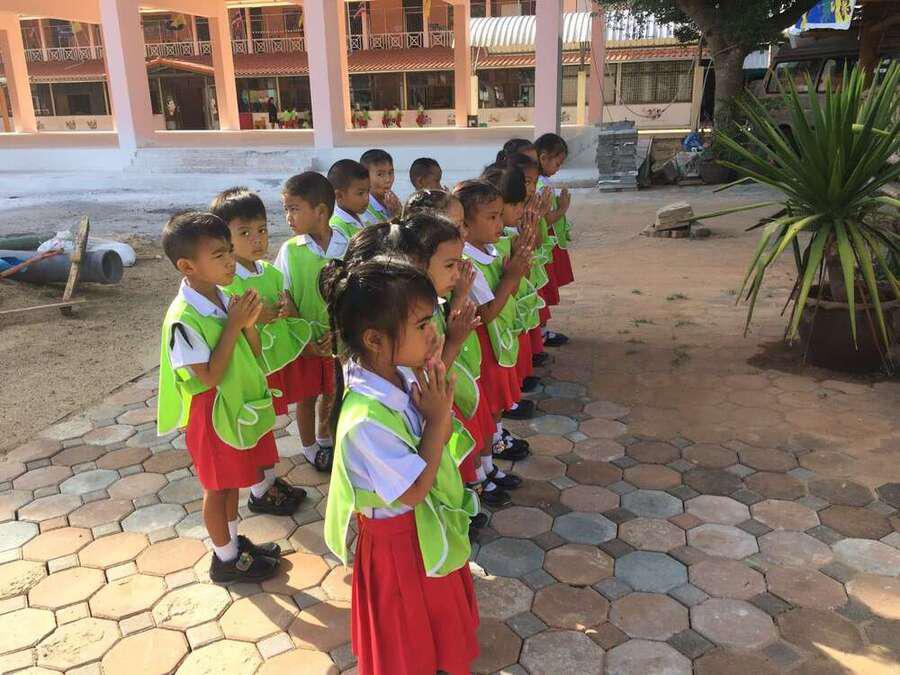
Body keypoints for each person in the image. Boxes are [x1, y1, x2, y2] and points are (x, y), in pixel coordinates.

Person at [321, 257, 480, 675]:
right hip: (400, 548)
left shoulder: (400, 372)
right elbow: (414, 491)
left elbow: (433, 443)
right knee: (408, 644)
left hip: (422, 531)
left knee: (435, 629)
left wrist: (436, 410)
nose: (434, 333)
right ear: (374, 339)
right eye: (423, 324)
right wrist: (438, 418)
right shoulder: (365, 421)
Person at [156, 211, 281, 583]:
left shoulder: (226, 297)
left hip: (233, 406)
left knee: (232, 482)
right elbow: (208, 376)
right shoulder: (183, 318)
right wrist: (234, 324)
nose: (230, 261)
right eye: (219, 255)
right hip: (210, 414)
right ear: (187, 266)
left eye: (229, 250)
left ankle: (233, 544)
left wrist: (249, 323)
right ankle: (225, 559)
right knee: (216, 488)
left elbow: (252, 351)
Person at [210, 187, 309, 515]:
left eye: (262, 230)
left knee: (266, 423)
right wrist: (255, 319)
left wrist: (284, 310)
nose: (257, 239)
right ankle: (259, 489)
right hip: (247, 370)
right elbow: (229, 327)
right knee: (255, 425)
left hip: (268, 365)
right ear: (224, 239)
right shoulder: (227, 283)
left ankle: (267, 481)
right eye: (245, 233)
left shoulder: (269, 272)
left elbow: (284, 305)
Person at [454, 180, 536, 505]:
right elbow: (487, 312)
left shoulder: (490, 249)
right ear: (465, 224)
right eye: (491, 217)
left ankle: (488, 467)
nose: (499, 223)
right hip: (480, 350)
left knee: (492, 411)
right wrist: (512, 276)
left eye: (501, 215)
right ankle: (478, 477)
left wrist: (516, 269)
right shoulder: (466, 261)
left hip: (496, 345)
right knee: (482, 413)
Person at [274, 172, 348, 471]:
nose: (288, 217)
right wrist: (303, 339)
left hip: (339, 339)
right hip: (304, 342)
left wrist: (340, 331)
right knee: (306, 396)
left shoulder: (347, 245)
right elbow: (284, 296)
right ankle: (309, 447)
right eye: (286, 209)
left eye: (294, 209)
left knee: (334, 390)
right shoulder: (290, 251)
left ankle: (326, 438)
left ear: (320, 211)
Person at [534, 133, 576, 319]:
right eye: (557, 164)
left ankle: (542, 328)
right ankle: (542, 329)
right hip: (542, 244)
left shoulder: (542, 182)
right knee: (542, 285)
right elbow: (543, 221)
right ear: (543, 158)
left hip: (546, 244)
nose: (558, 169)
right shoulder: (539, 185)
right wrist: (562, 209)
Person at [327, 159, 370, 239]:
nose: (367, 198)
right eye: (360, 193)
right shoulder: (336, 227)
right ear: (339, 195)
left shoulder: (364, 218)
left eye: (368, 191)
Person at [359, 149, 401, 224]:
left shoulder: (393, 203)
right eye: (380, 174)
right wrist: (396, 216)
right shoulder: (364, 210)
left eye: (390, 173)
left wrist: (399, 212)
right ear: (366, 177)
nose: (388, 179)